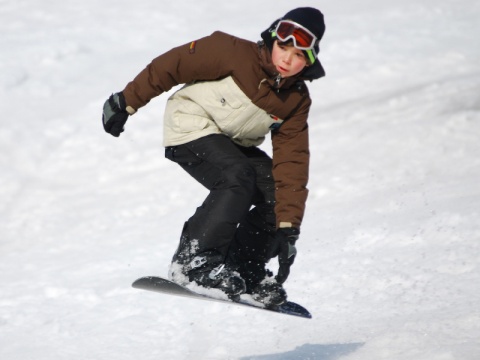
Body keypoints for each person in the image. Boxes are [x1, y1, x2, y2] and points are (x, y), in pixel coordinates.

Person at [102, 7, 326, 306]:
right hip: (190, 124)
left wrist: (288, 229)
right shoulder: (231, 52)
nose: (287, 59)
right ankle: (195, 261)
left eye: (299, 55)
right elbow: (172, 65)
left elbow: (292, 162)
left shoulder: (296, 100)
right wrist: (126, 101)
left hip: (232, 143)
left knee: (275, 190)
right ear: (272, 40)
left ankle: (245, 267)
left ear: (309, 61)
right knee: (238, 177)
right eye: (283, 47)